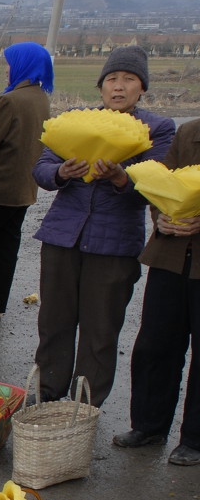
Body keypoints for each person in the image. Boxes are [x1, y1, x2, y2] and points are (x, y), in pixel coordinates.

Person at [32, 45, 174, 407]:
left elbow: (157, 186)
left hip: (115, 244)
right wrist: (62, 172)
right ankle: (47, 392)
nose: (119, 86)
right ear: (101, 86)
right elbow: (42, 166)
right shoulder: (79, 119)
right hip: (63, 236)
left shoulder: (157, 128)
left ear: (141, 87)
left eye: (129, 79)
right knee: (54, 320)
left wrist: (122, 178)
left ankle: (84, 403)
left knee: (100, 328)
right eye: (112, 79)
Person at [116, 118, 200, 466]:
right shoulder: (190, 132)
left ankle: (195, 438)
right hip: (171, 257)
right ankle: (149, 425)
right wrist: (161, 216)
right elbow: (160, 182)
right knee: (155, 343)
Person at [0, 41, 53, 323]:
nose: (7, 70)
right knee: (6, 250)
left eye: (10, 64)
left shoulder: (10, 101)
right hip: (23, 191)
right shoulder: (41, 97)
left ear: (23, 65)